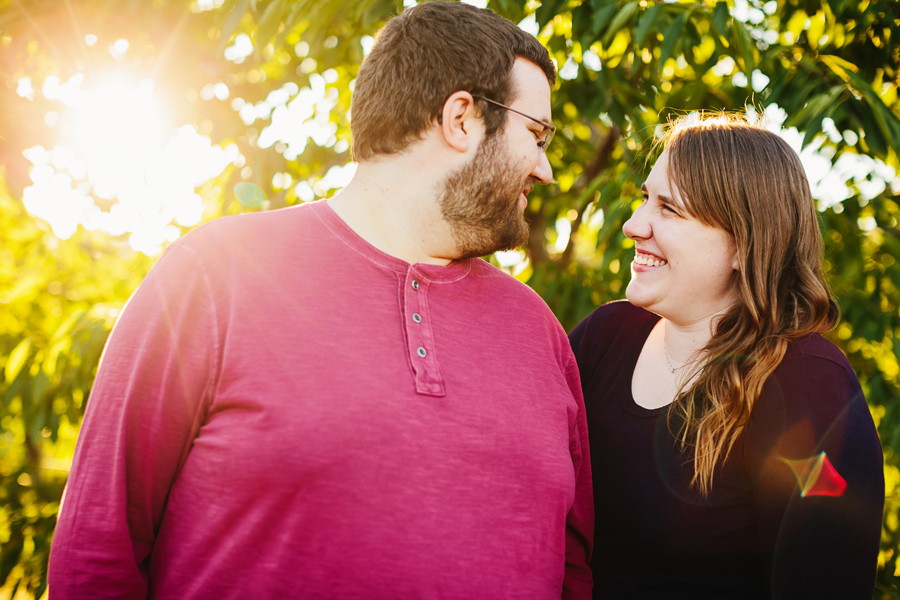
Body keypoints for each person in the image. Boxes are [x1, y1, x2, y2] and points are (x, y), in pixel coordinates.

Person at [48, 3, 594, 598]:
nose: (545, 170)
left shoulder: (539, 333)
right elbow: (96, 555)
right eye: (535, 136)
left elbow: (573, 572)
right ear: (461, 118)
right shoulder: (213, 279)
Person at [569, 114, 884, 599]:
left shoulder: (806, 385)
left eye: (668, 209)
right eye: (644, 198)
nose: (633, 225)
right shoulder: (605, 338)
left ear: (742, 243)